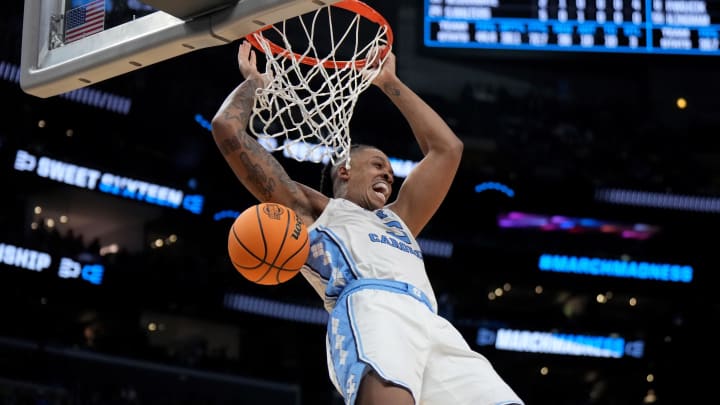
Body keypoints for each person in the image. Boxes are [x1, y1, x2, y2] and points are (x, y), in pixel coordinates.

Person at [211, 40, 524, 405]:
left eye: (390, 172)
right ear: (344, 169)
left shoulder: (398, 219)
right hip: (372, 308)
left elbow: (448, 149)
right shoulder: (312, 210)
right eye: (378, 165)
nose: (389, 176)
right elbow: (227, 130)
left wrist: (390, 82)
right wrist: (254, 83)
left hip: (432, 322)